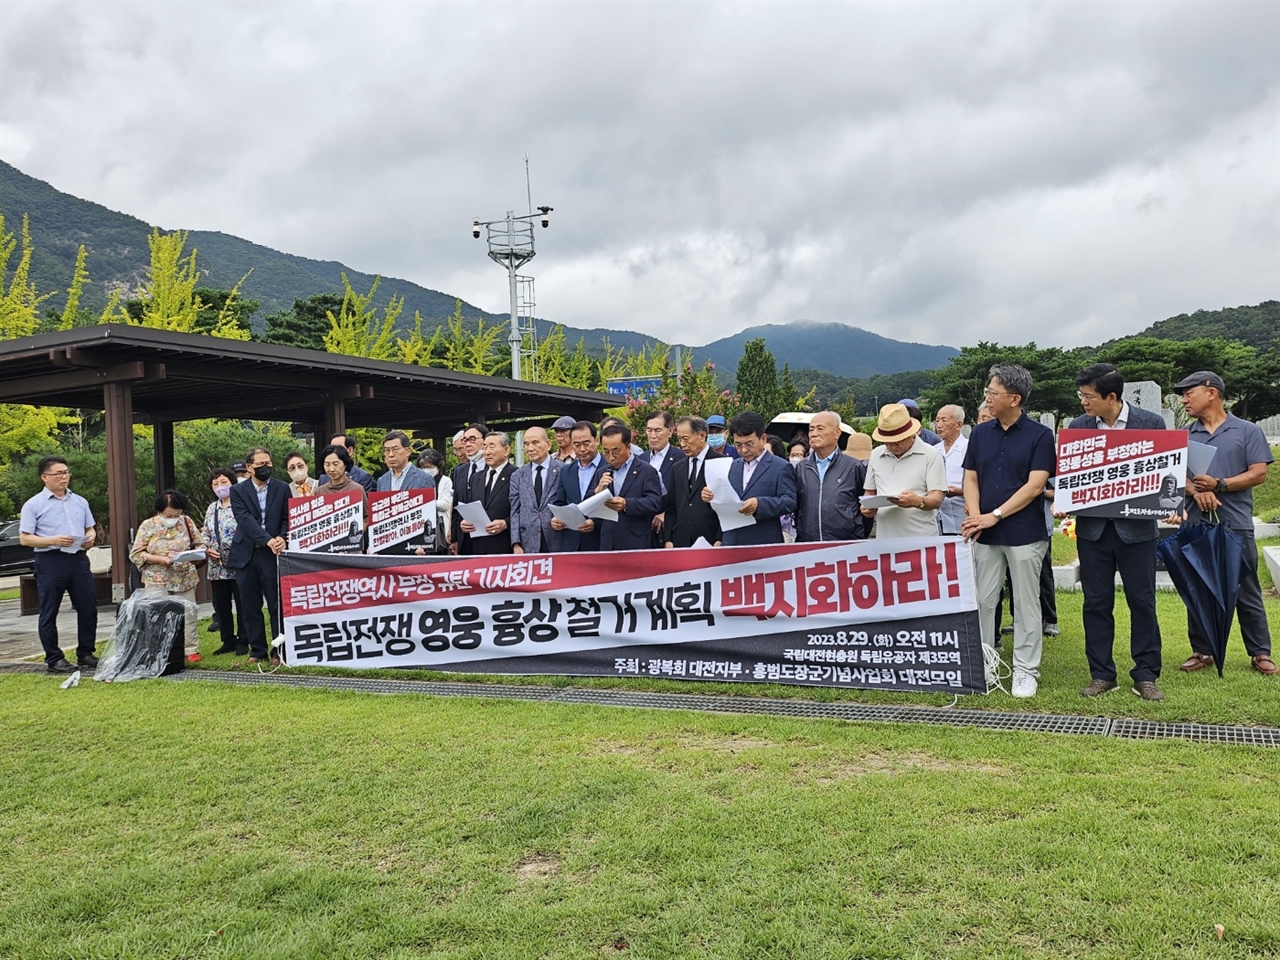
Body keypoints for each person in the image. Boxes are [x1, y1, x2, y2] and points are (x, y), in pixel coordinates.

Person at [1065, 363, 1168, 700]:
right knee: (1096, 603)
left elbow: (1162, 475)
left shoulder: (1150, 423)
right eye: (1081, 395)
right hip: (1093, 531)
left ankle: (1146, 674)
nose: (1083, 402)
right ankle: (1102, 674)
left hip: (1137, 531)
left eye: (1088, 396)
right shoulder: (1078, 427)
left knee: (1142, 601)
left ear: (1111, 396)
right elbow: (1070, 476)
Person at [961, 364, 1056, 698]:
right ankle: (985, 664)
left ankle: (1025, 670)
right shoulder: (980, 433)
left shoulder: (1040, 435)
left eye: (994, 391)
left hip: (1025, 533)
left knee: (1027, 602)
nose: (988, 395)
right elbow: (970, 477)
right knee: (984, 600)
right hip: (984, 533)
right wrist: (975, 516)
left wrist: (995, 515)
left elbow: (1035, 486)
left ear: (1014, 399)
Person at [1173, 370, 1276, 676]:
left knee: (1245, 587)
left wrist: (1219, 485)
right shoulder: (1184, 435)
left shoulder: (1246, 431)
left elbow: (1258, 473)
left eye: (1189, 392)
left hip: (1235, 522)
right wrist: (1196, 490)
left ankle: (1260, 652)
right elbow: (1173, 473)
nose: (1184, 399)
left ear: (1211, 392)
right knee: (1197, 587)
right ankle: (1202, 650)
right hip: (1194, 521)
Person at [19, 456, 98, 673]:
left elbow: (89, 528)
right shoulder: (34, 505)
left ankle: (86, 653)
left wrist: (90, 536)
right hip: (51, 560)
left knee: (88, 607)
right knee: (49, 610)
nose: (64, 477)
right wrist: (53, 540)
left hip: (78, 558)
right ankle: (54, 658)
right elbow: (25, 538)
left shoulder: (80, 501)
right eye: (58, 474)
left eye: (66, 472)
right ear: (44, 477)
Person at [227, 447, 290, 664]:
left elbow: (287, 517)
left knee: (276, 603)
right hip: (246, 553)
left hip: (273, 553)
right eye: (261, 464)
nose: (266, 467)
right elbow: (244, 520)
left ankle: (279, 650)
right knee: (249, 604)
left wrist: (282, 537)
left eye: (269, 463)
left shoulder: (282, 488)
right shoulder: (237, 491)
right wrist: (267, 539)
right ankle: (257, 651)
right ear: (249, 467)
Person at [129, 489, 207, 662]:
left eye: (176, 515)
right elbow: (136, 554)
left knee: (189, 612)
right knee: (158, 614)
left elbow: (200, 544)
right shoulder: (148, 525)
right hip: (157, 578)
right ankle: (159, 649)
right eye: (169, 515)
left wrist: (194, 554)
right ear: (160, 511)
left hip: (184, 576)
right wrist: (159, 559)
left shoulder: (186, 522)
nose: (173, 519)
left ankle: (190, 649)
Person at [702, 411, 796, 545]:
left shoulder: (780, 467)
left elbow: (790, 501)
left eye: (749, 444)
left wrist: (760, 504)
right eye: (738, 445)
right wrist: (710, 497)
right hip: (732, 541)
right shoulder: (731, 466)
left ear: (763, 439)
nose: (744, 450)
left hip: (763, 542)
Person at [861, 404, 947, 539]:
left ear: (911, 434)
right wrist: (867, 508)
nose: (891, 447)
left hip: (922, 539)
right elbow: (870, 491)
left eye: (897, 441)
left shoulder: (931, 454)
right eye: (886, 442)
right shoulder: (876, 454)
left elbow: (937, 498)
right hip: (885, 540)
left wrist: (917, 501)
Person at [795, 410, 866, 542]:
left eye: (820, 429)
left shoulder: (853, 467)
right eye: (811, 429)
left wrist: (856, 536)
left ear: (837, 433)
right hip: (809, 545)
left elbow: (865, 508)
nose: (814, 434)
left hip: (845, 546)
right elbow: (797, 508)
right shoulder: (801, 468)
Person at [597, 422, 664, 551]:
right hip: (608, 542)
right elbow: (588, 503)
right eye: (606, 452)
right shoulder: (602, 472)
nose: (611, 457)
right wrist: (597, 491)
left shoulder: (646, 471)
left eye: (616, 452)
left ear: (628, 447)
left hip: (635, 541)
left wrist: (627, 504)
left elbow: (655, 502)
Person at [203, 468, 246, 656]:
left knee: (243, 602)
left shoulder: (241, 504)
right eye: (215, 484)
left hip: (238, 562)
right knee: (222, 604)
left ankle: (244, 639)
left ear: (232, 482)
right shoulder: (212, 508)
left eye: (223, 482)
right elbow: (205, 532)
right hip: (216, 565)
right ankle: (227, 639)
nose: (219, 487)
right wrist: (206, 548)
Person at [663, 416, 723, 548]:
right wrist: (668, 538)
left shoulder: (721, 463)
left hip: (711, 540)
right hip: (681, 541)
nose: (682, 444)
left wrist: (720, 537)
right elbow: (671, 507)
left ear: (702, 436)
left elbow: (726, 505)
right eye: (679, 439)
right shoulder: (677, 468)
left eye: (686, 439)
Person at [552, 421, 606, 552]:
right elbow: (560, 502)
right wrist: (556, 519)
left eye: (586, 443)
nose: (582, 449)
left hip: (601, 542)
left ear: (597, 440)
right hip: (573, 543)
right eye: (577, 444)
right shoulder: (566, 471)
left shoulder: (609, 467)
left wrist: (595, 523)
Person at [458, 432, 516, 555]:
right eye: (484, 447)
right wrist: (464, 522)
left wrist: (506, 523)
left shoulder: (516, 475)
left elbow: (524, 510)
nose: (487, 452)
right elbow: (471, 507)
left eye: (491, 447)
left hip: (505, 545)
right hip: (478, 546)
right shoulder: (476, 478)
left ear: (506, 450)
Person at [510, 426, 564, 554]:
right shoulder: (518, 475)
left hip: (558, 539)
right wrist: (515, 543)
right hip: (528, 543)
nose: (530, 448)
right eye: (526, 444)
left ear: (548, 444)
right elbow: (515, 510)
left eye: (535, 443)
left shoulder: (563, 470)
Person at [642, 410, 685, 538]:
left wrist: (666, 514)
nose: (653, 435)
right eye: (649, 430)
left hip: (669, 528)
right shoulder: (640, 459)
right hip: (643, 528)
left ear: (670, 431)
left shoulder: (681, 458)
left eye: (658, 430)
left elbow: (684, 496)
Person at [449, 424, 488, 554]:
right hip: (464, 535)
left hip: (490, 534)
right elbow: (455, 504)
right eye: (465, 440)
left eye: (472, 439)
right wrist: (454, 536)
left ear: (484, 441)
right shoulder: (460, 471)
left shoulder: (493, 468)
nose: (467, 444)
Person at [932, 404, 969, 536]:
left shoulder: (969, 448)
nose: (939, 425)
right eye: (937, 420)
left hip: (964, 515)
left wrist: (961, 491)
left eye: (944, 420)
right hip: (939, 517)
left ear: (958, 425)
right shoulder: (933, 450)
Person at [419, 447, 453, 547]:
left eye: (429, 467)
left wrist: (425, 503)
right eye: (423, 467)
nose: (426, 470)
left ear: (437, 466)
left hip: (441, 526)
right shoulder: (420, 481)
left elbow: (445, 504)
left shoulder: (446, 481)